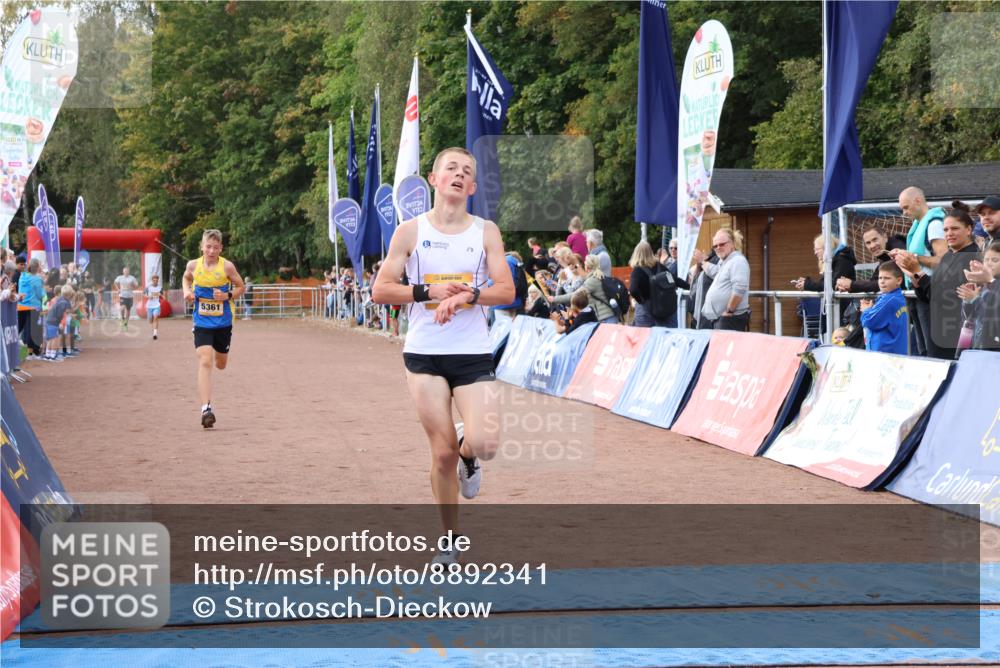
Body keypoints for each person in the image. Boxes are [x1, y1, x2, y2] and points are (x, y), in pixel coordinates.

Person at [371, 147, 514, 568]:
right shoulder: (409, 231)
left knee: (485, 443)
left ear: (472, 188)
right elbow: (381, 290)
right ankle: (449, 541)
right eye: (451, 168)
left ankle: (470, 455)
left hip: (472, 353)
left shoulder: (486, 231)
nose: (458, 174)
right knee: (442, 453)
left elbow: (506, 291)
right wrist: (427, 291)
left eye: (466, 171)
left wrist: (470, 295)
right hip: (425, 354)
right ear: (434, 179)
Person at [895, 202, 981, 360]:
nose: (949, 233)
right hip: (939, 333)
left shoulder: (971, 257)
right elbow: (928, 295)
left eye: (954, 229)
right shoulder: (949, 256)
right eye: (945, 230)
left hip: (956, 336)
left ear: (969, 229)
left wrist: (917, 272)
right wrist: (912, 275)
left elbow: (944, 296)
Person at [183, 229, 246, 428]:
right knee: (205, 360)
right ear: (202, 247)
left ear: (221, 249)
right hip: (202, 321)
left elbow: (241, 286)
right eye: (208, 247)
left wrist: (227, 295)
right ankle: (206, 409)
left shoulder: (227, 267)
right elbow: (186, 278)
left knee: (220, 364)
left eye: (215, 247)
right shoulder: (193, 265)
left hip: (223, 322)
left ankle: (221, 355)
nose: (211, 251)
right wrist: (187, 292)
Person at [893, 186, 947, 356]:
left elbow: (943, 260)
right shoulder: (918, 225)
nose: (904, 213)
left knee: (932, 352)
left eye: (906, 207)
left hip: (931, 294)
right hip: (919, 293)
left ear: (918, 200)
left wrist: (913, 258)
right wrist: (904, 257)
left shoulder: (934, 224)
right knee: (923, 350)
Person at [692, 228, 751, 331]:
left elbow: (739, 289)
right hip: (722, 319)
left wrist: (729, 311)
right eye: (715, 246)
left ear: (732, 244)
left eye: (722, 244)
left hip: (729, 318)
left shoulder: (738, 261)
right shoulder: (726, 262)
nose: (718, 248)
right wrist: (702, 261)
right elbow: (714, 272)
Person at [628, 240, 688, 328]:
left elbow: (633, 290)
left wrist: (641, 301)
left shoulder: (637, 271)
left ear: (636, 254)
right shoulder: (660, 266)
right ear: (650, 252)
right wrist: (689, 286)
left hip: (646, 313)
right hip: (665, 309)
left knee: (646, 335)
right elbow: (674, 280)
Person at [549, 254, 617, 324]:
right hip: (609, 315)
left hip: (604, 317)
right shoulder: (599, 276)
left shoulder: (592, 281)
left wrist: (555, 299)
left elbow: (575, 295)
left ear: (586, 267)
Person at [859, 261, 908, 355]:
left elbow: (869, 321)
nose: (882, 281)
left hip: (884, 355)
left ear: (899, 280)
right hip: (894, 353)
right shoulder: (897, 298)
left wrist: (866, 310)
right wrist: (871, 309)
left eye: (887, 278)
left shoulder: (889, 300)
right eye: (880, 278)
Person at [958, 241, 1000, 351]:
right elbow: (968, 318)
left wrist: (975, 300)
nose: (989, 264)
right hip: (977, 347)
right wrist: (968, 301)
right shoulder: (984, 286)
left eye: (995, 260)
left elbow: (992, 318)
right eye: (986, 260)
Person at [17, 258, 44, 360]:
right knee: (31, 330)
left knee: (19, 328)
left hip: (21, 306)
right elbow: (40, 294)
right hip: (33, 306)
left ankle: (11, 348)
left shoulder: (22, 276)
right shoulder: (37, 279)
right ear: (37, 267)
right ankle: (30, 354)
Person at [43, 285, 74, 362]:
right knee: (54, 339)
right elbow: (60, 313)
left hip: (49, 319)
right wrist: (60, 323)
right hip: (54, 321)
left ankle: (48, 355)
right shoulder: (65, 302)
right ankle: (53, 356)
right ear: (70, 295)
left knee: (50, 339)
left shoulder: (60, 299)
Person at [144, 274, 163, 340]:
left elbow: (163, 296)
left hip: (157, 305)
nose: (155, 281)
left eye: (156, 280)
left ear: (158, 280)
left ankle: (155, 334)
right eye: (154, 280)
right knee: (150, 320)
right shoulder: (148, 287)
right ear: (152, 280)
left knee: (155, 317)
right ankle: (152, 323)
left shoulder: (160, 288)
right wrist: (148, 296)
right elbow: (143, 294)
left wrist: (160, 295)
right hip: (149, 306)